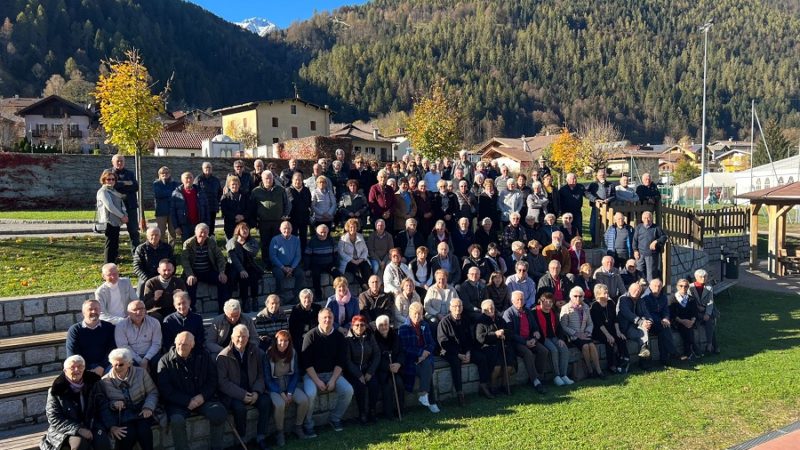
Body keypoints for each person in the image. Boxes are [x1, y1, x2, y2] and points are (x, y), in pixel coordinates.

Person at [157, 332, 227, 450]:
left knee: (218, 412)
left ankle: (217, 447)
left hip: (201, 399)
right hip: (178, 403)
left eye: (185, 344)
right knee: (177, 421)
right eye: (179, 344)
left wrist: (202, 396)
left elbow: (212, 379)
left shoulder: (203, 356)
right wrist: (186, 401)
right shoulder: (164, 361)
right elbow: (165, 389)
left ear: (192, 345)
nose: (181, 347)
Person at [216, 324, 272, 450]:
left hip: (253, 390)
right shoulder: (223, 356)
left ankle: (261, 436)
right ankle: (242, 439)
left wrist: (257, 392)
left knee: (266, 402)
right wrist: (242, 395)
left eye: (244, 336)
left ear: (249, 337)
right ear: (232, 337)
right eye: (238, 336)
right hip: (234, 394)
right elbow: (222, 382)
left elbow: (261, 375)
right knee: (239, 409)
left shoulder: (257, 352)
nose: (241, 340)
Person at [40, 354, 112, 450]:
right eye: (72, 367)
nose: (77, 370)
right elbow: (54, 418)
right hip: (65, 431)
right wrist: (78, 429)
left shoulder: (93, 384)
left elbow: (103, 407)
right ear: (65, 370)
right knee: (79, 445)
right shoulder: (56, 390)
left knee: (102, 442)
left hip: (91, 424)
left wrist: (111, 426)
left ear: (84, 368)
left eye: (80, 367)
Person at [301, 308, 354, 433]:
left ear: (333, 319)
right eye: (324, 317)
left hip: (332, 374)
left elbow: (340, 361)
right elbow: (306, 363)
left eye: (330, 317)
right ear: (318, 319)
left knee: (348, 391)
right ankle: (308, 424)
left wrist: (333, 380)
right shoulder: (310, 336)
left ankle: (335, 418)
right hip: (312, 375)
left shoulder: (339, 336)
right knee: (310, 394)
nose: (327, 320)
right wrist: (318, 381)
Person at [101, 348, 157, 450]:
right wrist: (113, 404)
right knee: (127, 434)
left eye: (121, 364)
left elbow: (152, 392)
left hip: (141, 411)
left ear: (129, 363)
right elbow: (103, 404)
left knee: (144, 432)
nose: (117, 367)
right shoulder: (105, 381)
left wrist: (148, 407)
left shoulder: (141, 373)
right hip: (122, 415)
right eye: (114, 365)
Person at [437, 299, 489, 404]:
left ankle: (483, 386)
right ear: (450, 308)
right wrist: (458, 354)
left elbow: (470, 339)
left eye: (460, 306)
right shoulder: (444, 322)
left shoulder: (465, 320)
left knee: (481, 358)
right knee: (455, 363)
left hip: (465, 351)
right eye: (455, 306)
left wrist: (468, 352)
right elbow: (444, 343)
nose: (457, 308)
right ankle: (460, 393)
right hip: (450, 351)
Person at [266, 330, 312, 443]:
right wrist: (281, 392)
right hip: (274, 386)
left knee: (304, 400)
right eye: (281, 340)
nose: (283, 343)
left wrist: (290, 392)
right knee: (280, 404)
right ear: (276, 341)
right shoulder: (268, 354)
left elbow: (296, 373)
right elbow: (267, 378)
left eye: (286, 341)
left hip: (289, 384)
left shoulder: (293, 352)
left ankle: (298, 426)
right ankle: (279, 432)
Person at [501, 290, 549, 393]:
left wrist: (535, 334)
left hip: (530, 339)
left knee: (544, 351)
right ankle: (535, 381)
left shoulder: (527, 311)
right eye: (517, 299)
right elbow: (511, 334)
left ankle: (539, 376)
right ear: (512, 301)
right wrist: (525, 342)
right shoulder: (508, 313)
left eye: (522, 299)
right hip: (517, 342)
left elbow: (535, 327)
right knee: (528, 353)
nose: (520, 301)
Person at [397, 302, 440, 413]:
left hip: (425, 358)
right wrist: (420, 353)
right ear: (410, 313)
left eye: (419, 314)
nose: (417, 317)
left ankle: (424, 394)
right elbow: (404, 348)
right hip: (411, 361)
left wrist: (425, 353)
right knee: (428, 369)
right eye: (415, 314)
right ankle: (431, 401)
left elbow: (431, 343)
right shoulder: (403, 328)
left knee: (427, 365)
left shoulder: (425, 325)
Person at [181, 223, 229, 311]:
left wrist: (222, 272)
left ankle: (223, 309)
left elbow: (220, 257)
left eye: (205, 233)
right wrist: (190, 274)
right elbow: (185, 261)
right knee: (189, 284)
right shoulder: (188, 243)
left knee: (223, 281)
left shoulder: (211, 242)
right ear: (195, 232)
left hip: (208, 271)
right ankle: (191, 310)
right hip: (193, 272)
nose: (203, 235)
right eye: (201, 232)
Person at [343, 315, 381, 424]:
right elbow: (347, 360)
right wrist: (359, 375)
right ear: (352, 326)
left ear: (365, 326)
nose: (359, 327)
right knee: (360, 386)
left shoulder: (370, 336)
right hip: (353, 372)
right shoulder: (348, 339)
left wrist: (370, 372)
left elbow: (377, 354)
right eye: (357, 325)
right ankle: (362, 413)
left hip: (367, 368)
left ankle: (372, 411)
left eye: (362, 325)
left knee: (374, 384)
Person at [560, 287, 604, 379]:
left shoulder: (586, 307)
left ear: (583, 297)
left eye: (580, 296)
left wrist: (588, 332)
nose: (577, 298)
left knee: (591, 345)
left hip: (585, 334)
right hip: (574, 337)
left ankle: (599, 370)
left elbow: (590, 323)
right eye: (575, 296)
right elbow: (563, 326)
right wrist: (577, 334)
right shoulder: (565, 308)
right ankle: (590, 370)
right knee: (585, 346)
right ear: (571, 297)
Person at [67, 299, 116, 376]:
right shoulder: (75, 330)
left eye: (96, 309)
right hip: (82, 368)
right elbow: (73, 354)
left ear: (100, 311)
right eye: (90, 309)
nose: (94, 312)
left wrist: (101, 367)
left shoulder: (109, 327)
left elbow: (112, 350)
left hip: (106, 367)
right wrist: (87, 368)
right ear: (83, 313)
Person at [475, 300, 515, 395]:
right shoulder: (480, 321)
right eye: (487, 309)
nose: (490, 310)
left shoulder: (499, 319)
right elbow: (480, 338)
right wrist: (495, 334)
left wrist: (504, 334)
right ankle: (492, 386)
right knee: (497, 367)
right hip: (488, 348)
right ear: (483, 310)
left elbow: (508, 331)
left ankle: (504, 385)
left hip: (501, 346)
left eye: (492, 307)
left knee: (509, 365)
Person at [534, 293, 573, 386]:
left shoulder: (553, 312)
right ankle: (556, 376)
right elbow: (533, 326)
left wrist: (560, 338)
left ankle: (564, 375)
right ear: (541, 301)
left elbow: (559, 327)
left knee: (564, 350)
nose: (548, 304)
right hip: (543, 338)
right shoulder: (534, 312)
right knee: (554, 350)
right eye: (546, 301)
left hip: (554, 336)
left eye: (551, 302)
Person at [114, 300, 161, 376]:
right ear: (128, 312)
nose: (139, 312)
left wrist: (146, 359)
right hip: (131, 356)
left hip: (151, 354)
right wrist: (140, 361)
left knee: (160, 364)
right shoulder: (121, 326)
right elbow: (123, 346)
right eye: (135, 310)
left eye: (141, 308)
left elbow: (157, 343)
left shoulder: (154, 322)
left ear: (145, 310)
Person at [251, 171, 292, 258]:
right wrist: (255, 220)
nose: (268, 180)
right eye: (266, 178)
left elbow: (287, 203)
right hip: (263, 222)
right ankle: (266, 262)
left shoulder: (280, 189)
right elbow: (252, 207)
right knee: (265, 243)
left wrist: (285, 214)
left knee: (277, 242)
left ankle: (277, 261)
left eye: (270, 178)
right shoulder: (256, 191)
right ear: (262, 179)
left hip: (278, 221)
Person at [590, 283, 630, 373]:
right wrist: (608, 335)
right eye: (604, 293)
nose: (607, 294)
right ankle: (611, 365)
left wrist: (618, 332)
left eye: (607, 292)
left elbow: (615, 319)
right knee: (610, 341)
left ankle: (624, 361)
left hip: (611, 328)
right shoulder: (594, 306)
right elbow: (598, 323)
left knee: (621, 338)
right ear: (598, 294)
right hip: (600, 331)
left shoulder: (611, 303)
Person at [225, 222, 263, 313]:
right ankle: (245, 301)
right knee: (244, 279)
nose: (245, 231)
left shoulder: (251, 240)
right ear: (238, 231)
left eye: (247, 229)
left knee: (253, 276)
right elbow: (234, 259)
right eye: (243, 229)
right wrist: (241, 270)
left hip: (249, 265)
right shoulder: (232, 242)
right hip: (235, 267)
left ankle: (255, 299)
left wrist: (243, 243)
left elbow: (254, 252)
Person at [373, 315, 405, 419]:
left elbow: (401, 352)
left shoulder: (395, 336)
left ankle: (400, 410)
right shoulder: (374, 338)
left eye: (385, 324)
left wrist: (398, 364)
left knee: (400, 383)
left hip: (396, 369)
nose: (384, 327)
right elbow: (374, 357)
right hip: (382, 370)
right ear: (377, 327)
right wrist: (387, 367)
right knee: (387, 386)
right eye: (381, 325)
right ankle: (389, 413)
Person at [642, 278, 678, 365]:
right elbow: (647, 313)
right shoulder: (645, 297)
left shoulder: (663, 297)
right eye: (655, 286)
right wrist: (660, 320)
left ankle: (665, 359)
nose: (657, 288)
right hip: (650, 323)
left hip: (661, 323)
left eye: (659, 286)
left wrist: (665, 318)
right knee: (665, 328)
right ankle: (672, 352)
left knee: (664, 331)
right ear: (650, 286)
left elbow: (666, 310)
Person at [96, 169, 128, 264]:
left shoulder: (113, 191)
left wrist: (124, 214)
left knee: (114, 245)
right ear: (104, 180)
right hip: (109, 221)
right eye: (108, 179)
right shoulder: (103, 191)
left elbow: (120, 204)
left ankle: (113, 265)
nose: (111, 181)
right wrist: (122, 216)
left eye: (113, 179)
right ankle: (107, 266)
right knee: (109, 245)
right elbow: (110, 206)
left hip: (116, 221)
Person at [133, 227, 175, 299]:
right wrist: (148, 279)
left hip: (164, 275)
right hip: (146, 276)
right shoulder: (141, 248)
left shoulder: (167, 247)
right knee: (142, 286)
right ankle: (141, 303)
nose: (154, 237)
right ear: (147, 236)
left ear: (160, 236)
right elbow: (137, 267)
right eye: (152, 235)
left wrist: (166, 275)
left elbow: (173, 263)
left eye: (156, 235)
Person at [616, 282, 654, 364]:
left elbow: (646, 312)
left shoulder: (640, 300)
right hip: (625, 327)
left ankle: (644, 354)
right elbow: (628, 314)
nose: (637, 292)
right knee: (643, 333)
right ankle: (645, 358)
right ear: (629, 290)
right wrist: (641, 322)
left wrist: (649, 321)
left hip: (636, 325)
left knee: (645, 328)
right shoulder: (623, 299)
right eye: (635, 290)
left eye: (639, 291)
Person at [111, 154, 141, 253]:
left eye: (122, 161)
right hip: (115, 207)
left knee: (133, 231)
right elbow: (111, 186)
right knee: (114, 233)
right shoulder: (108, 173)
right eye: (117, 161)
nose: (120, 163)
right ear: (113, 162)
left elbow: (136, 187)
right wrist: (126, 183)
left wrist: (119, 184)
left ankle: (136, 254)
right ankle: (113, 255)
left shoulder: (130, 173)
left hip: (130, 206)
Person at [269, 221, 305, 300]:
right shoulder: (275, 239)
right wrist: (283, 267)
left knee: (301, 274)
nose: (287, 230)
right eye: (284, 228)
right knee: (279, 275)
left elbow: (298, 256)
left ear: (292, 229)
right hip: (279, 266)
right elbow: (273, 256)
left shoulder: (296, 240)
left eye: (289, 228)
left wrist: (292, 268)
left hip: (292, 266)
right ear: (280, 229)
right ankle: (280, 297)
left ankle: (296, 296)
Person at [304, 223, 341, 299]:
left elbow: (336, 254)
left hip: (329, 264)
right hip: (316, 263)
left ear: (327, 232)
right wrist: (307, 268)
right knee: (315, 275)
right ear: (317, 233)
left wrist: (336, 265)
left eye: (325, 232)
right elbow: (307, 256)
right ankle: (318, 294)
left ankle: (339, 292)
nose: (323, 234)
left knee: (337, 274)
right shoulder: (312, 241)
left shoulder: (331, 240)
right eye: (321, 232)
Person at [170, 172, 209, 243]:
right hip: (184, 225)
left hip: (199, 223)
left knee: (199, 244)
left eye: (191, 178)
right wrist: (176, 227)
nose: (189, 180)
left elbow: (206, 208)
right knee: (186, 245)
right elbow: (173, 212)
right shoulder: (176, 193)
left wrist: (207, 223)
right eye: (186, 178)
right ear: (182, 180)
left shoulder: (200, 191)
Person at [690, 269, 720, 355]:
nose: (703, 278)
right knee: (709, 323)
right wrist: (697, 307)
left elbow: (710, 302)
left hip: (706, 310)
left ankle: (709, 344)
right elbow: (690, 301)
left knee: (708, 320)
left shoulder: (709, 287)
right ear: (696, 277)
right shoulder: (690, 287)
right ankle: (714, 345)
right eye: (701, 277)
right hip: (695, 311)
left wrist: (707, 313)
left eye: (705, 277)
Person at [632, 211, 667, 282]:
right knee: (640, 274)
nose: (647, 220)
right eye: (645, 218)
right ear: (642, 219)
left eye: (648, 218)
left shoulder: (656, 228)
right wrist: (635, 250)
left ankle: (650, 291)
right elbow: (635, 240)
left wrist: (656, 241)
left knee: (650, 276)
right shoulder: (639, 227)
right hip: (640, 254)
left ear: (651, 218)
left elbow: (664, 237)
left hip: (651, 255)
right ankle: (640, 291)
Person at [338, 218, 373, 288]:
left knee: (366, 268)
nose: (353, 229)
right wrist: (352, 260)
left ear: (357, 228)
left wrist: (361, 259)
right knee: (356, 270)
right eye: (351, 227)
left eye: (354, 227)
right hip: (349, 261)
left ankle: (369, 286)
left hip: (360, 259)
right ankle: (364, 286)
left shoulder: (360, 236)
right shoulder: (343, 238)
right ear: (348, 228)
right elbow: (340, 252)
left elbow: (365, 250)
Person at [672, 279, 699, 360]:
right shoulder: (673, 299)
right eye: (681, 286)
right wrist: (682, 321)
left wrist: (692, 321)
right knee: (686, 329)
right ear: (677, 287)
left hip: (690, 322)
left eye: (686, 286)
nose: (683, 288)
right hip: (678, 321)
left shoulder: (692, 299)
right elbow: (672, 313)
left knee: (688, 328)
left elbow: (695, 312)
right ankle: (693, 348)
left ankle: (688, 353)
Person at [586, 168, 615, 243]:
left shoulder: (610, 185)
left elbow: (614, 196)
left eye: (603, 174)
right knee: (593, 226)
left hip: (608, 208)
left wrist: (608, 199)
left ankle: (606, 242)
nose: (602, 176)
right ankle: (594, 242)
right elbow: (586, 193)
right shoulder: (593, 184)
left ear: (606, 175)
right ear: (597, 175)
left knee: (608, 226)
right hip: (596, 208)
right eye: (600, 174)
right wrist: (595, 199)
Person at [153, 166, 180, 246]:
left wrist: (167, 194)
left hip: (172, 211)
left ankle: (170, 249)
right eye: (162, 173)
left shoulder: (175, 183)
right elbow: (158, 194)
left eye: (166, 173)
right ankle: (160, 247)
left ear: (170, 174)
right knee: (161, 231)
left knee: (172, 231)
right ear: (159, 175)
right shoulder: (156, 184)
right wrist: (170, 194)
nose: (165, 174)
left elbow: (176, 194)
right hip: (161, 211)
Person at [286, 172, 312, 254]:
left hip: (304, 218)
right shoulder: (287, 190)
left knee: (303, 237)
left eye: (300, 180)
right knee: (293, 237)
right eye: (296, 180)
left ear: (302, 181)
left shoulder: (306, 190)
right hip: (292, 218)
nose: (298, 182)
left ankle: (303, 253)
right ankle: (293, 253)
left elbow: (309, 203)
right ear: (292, 180)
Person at [194, 161, 223, 235]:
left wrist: (217, 200)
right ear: (202, 169)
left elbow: (220, 192)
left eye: (209, 167)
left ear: (212, 169)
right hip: (202, 207)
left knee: (212, 224)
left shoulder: (215, 180)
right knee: (202, 224)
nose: (208, 169)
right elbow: (194, 191)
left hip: (212, 205)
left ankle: (211, 239)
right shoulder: (198, 179)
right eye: (206, 167)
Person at [220, 175, 248, 240]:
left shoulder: (245, 196)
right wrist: (235, 216)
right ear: (229, 186)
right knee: (231, 246)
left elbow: (249, 208)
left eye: (236, 184)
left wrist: (243, 216)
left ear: (239, 185)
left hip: (243, 224)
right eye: (232, 184)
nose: (234, 186)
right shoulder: (225, 197)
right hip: (230, 225)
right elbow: (224, 211)